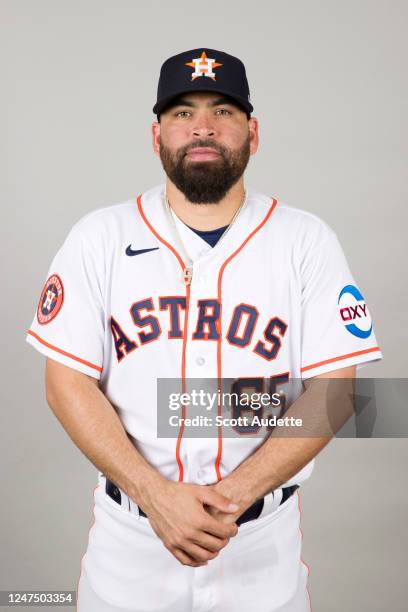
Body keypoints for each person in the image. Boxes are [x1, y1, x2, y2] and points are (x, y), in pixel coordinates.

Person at [25, 48, 383, 611]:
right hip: (129, 549)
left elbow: (338, 390)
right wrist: (155, 495)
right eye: (182, 113)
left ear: (253, 132)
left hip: (260, 549)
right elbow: (64, 383)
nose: (203, 128)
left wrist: (233, 496)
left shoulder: (305, 240)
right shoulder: (99, 237)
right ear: (157, 135)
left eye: (223, 111)